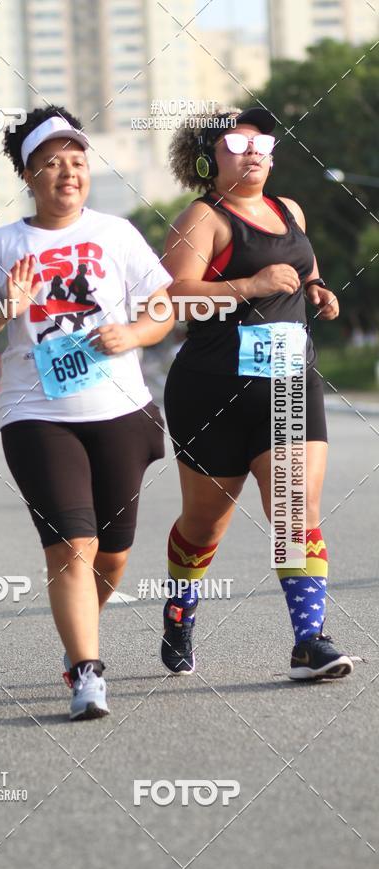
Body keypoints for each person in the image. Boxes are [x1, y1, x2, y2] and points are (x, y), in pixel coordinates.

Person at [0, 106, 174, 719]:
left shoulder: (118, 233)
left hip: (121, 409)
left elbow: (163, 308)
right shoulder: (3, 245)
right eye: (52, 164)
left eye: (77, 162)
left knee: (113, 553)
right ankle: (87, 671)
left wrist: (134, 334)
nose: (68, 174)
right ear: (29, 175)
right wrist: (6, 303)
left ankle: (79, 629)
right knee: (71, 548)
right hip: (37, 414)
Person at [160, 106, 353, 682]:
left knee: (296, 509)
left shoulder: (286, 209)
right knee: (203, 524)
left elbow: (304, 264)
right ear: (208, 159)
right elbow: (173, 299)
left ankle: (308, 641)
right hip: (213, 391)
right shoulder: (203, 218)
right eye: (237, 143)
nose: (253, 153)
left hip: (290, 382)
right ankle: (179, 612)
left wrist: (317, 290)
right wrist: (249, 285)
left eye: (261, 143)